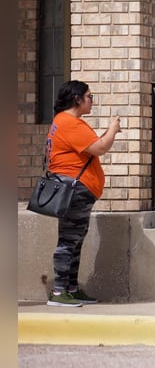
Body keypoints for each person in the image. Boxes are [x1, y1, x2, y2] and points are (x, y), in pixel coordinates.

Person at [45, 80, 122, 306]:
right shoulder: (69, 123)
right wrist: (113, 130)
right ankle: (59, 292)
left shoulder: (66, 122)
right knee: (69, 240)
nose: (92, 101)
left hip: (76, 189)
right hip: (73, 189)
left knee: (75, 239)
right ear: (77, 99)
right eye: (89, 97)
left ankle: (71, 288)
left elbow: (93, 145)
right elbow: (99, 147)